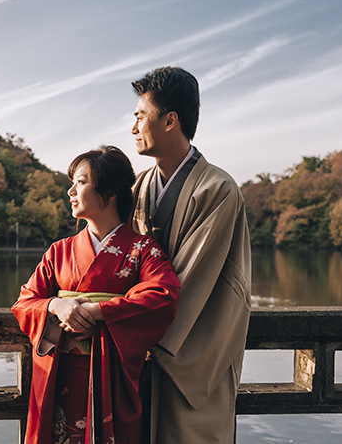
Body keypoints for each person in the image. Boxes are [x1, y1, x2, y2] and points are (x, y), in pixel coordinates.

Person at [12, 146, 180, 444]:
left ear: (110, 191)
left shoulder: (142, 250)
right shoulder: (59, 251)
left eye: (80, 181)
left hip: (112, 375)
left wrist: (101, 311)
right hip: (60, 376)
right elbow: (25, 303)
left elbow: (163, 295)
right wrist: (56, 306)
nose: (70, 191)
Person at [128, 66, 251, 444]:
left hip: (194, 353)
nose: (133, 128)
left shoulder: (217, 189)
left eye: (140, 116)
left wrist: (124, 322)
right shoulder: (140, 186)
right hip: (144, 345)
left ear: (170, 120)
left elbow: (188, 282)